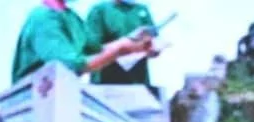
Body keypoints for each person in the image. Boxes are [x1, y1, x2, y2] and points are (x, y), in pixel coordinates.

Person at [10, 0, 151, 85]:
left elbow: (96, 50)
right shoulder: (43, 20)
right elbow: (72, 65)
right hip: (35, 101)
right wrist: (121, 49)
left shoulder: (71, 18)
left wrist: (131, 43)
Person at [86, 0, 161, 86]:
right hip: (106, 82)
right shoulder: (99, 10)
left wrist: (153, 49)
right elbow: (91, 49)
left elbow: (153, 41)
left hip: (138, 82)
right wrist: (120, 48)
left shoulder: (141, 9)